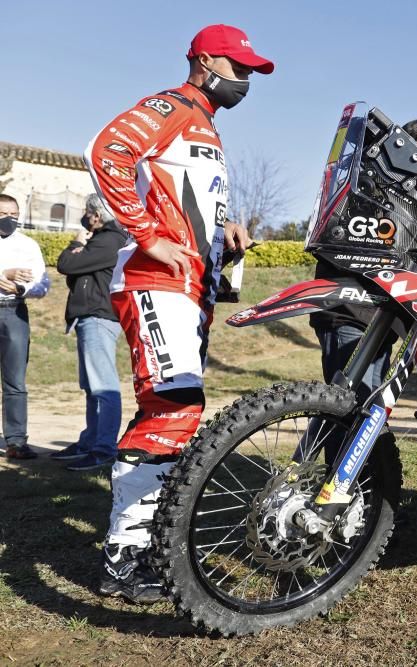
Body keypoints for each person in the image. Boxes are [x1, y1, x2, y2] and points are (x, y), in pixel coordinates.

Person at [85, 24, 270, 603]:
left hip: (191, 290)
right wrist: (145, 235)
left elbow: (184, 199)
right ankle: (125, 558)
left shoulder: (206, 128)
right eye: (240, 68)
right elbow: (106, 151)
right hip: (156, 282)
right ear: (208, 60)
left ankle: (146, 541)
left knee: (179, 413)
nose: (245, 80)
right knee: (171, 409)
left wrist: (226, 229)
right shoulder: (170, 106)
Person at [310, 119, 417, 392]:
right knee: (350, 408)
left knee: (361, 412)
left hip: (383, 320)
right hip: (349, 315)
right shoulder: (365, 187)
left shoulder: (407, 202)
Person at [52, 194, 129, 470]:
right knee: (91, 386)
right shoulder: (103, 240)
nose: (85, 216)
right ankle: (90, 441)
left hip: (98, 316)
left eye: (88, 211)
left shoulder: (109, 240)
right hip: (89, 316)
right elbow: (74, 273)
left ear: (98, 215)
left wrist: (77, 243)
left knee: (103, 386)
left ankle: (104, 448)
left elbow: (67, 265)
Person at [0, 194, 50, 460]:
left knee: (15, 382)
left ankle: (16, 441)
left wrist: (21, 287)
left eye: (15, 214)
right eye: (4, 213)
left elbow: (41, 283)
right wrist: (4, 275)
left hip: (13, 313)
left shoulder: (28, 245)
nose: (10, 219)